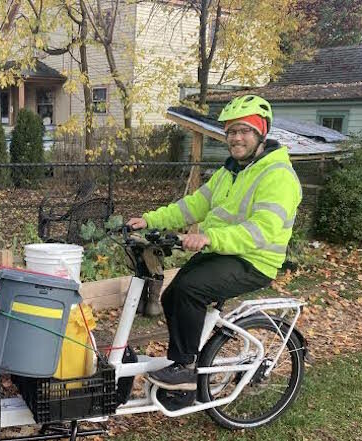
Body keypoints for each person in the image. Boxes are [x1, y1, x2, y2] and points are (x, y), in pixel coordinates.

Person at [127, 95, 302, 391]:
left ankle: (186, 368)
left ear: (261, 133)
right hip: (223, 252)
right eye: (232, 132)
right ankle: (184, 363)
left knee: (188, 290)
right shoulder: (230, 171)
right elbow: (193, 206)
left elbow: (262, 230)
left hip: (254, 260)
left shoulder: (278, 175)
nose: (236, 138)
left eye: (245, 130)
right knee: (172, 296)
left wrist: (209, 237)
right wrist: (149, 220)